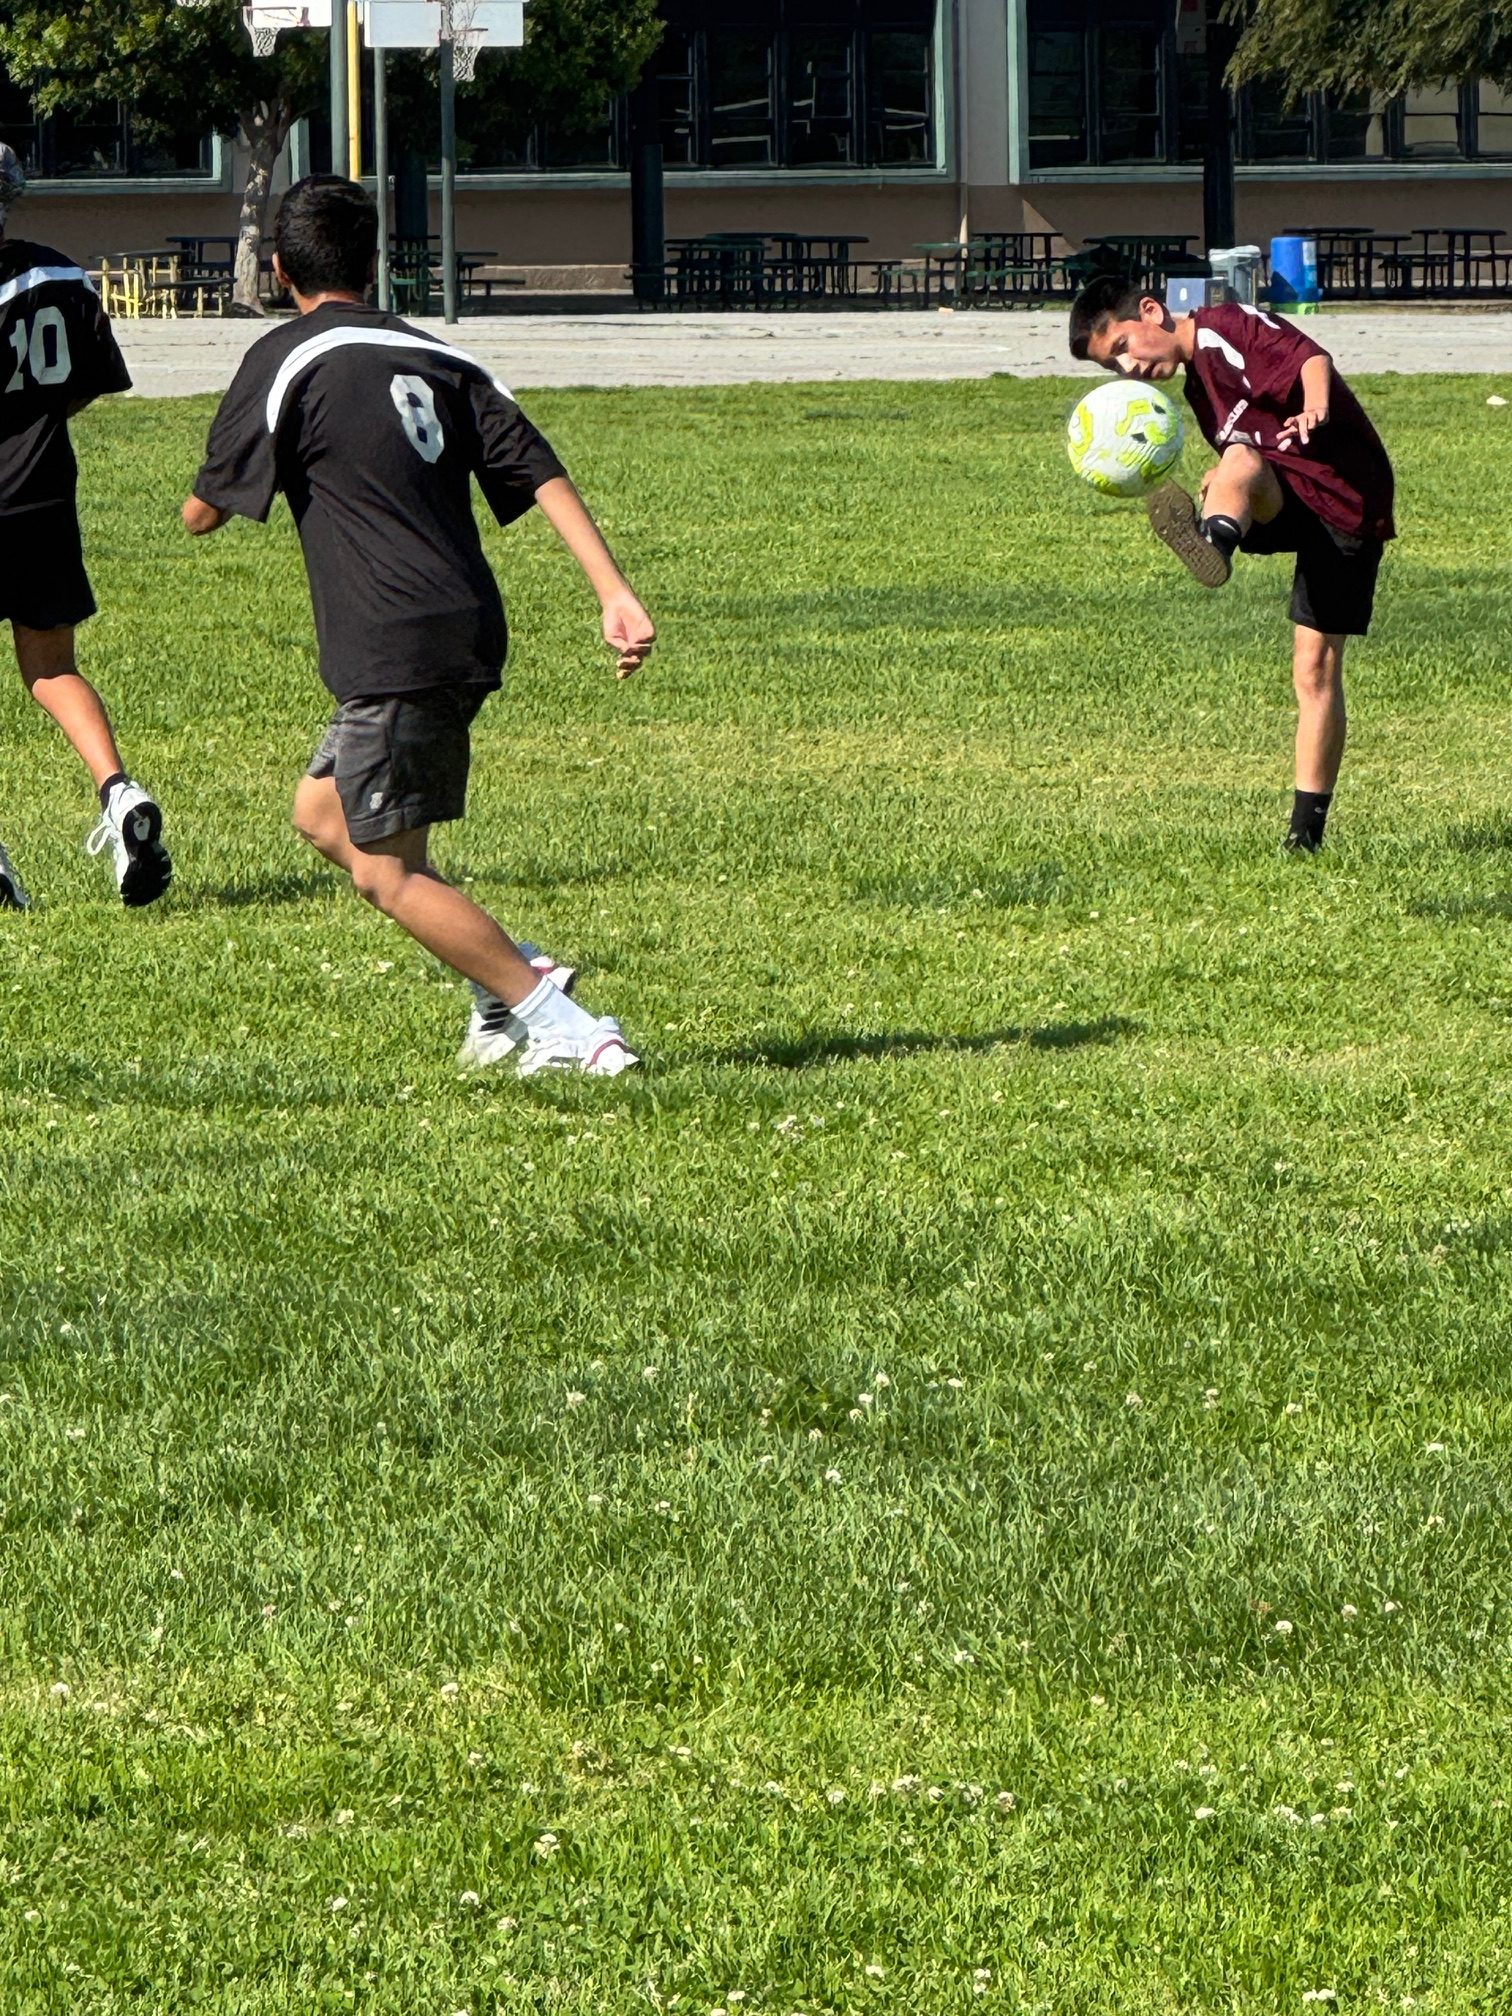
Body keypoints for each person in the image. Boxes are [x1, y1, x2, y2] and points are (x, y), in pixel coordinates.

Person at [182, 176, 655, 1076]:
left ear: (279, 269)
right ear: (372, 265)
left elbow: (206, 513)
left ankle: (562, 1023)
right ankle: (507, 977)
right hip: (463, 626)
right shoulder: (440, 355)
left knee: (384, 870)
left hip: (391, 640)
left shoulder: (285, 355)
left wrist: (200, 500)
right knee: (322, 813)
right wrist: (613, 590)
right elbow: (538, 469)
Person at [1069, 277, 1395, 854]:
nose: (1128, 368)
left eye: (1122, 347)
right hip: (1286, 497)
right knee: (1236, 461)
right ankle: (1214, 540)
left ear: (1151, 311)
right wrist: (1225, 480)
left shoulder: (1226, 326)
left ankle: (1304, 837)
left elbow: (1309, 357)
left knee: (1314, 669)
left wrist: (1316, 405)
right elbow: (1249, 450)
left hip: (1344, 499)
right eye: (1112, 366)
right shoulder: (1199, 387)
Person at [0, 141, 171, 907]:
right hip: (42, 497)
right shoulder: (61, 276)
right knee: (52, 668)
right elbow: (90, 381)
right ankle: (117, 790)